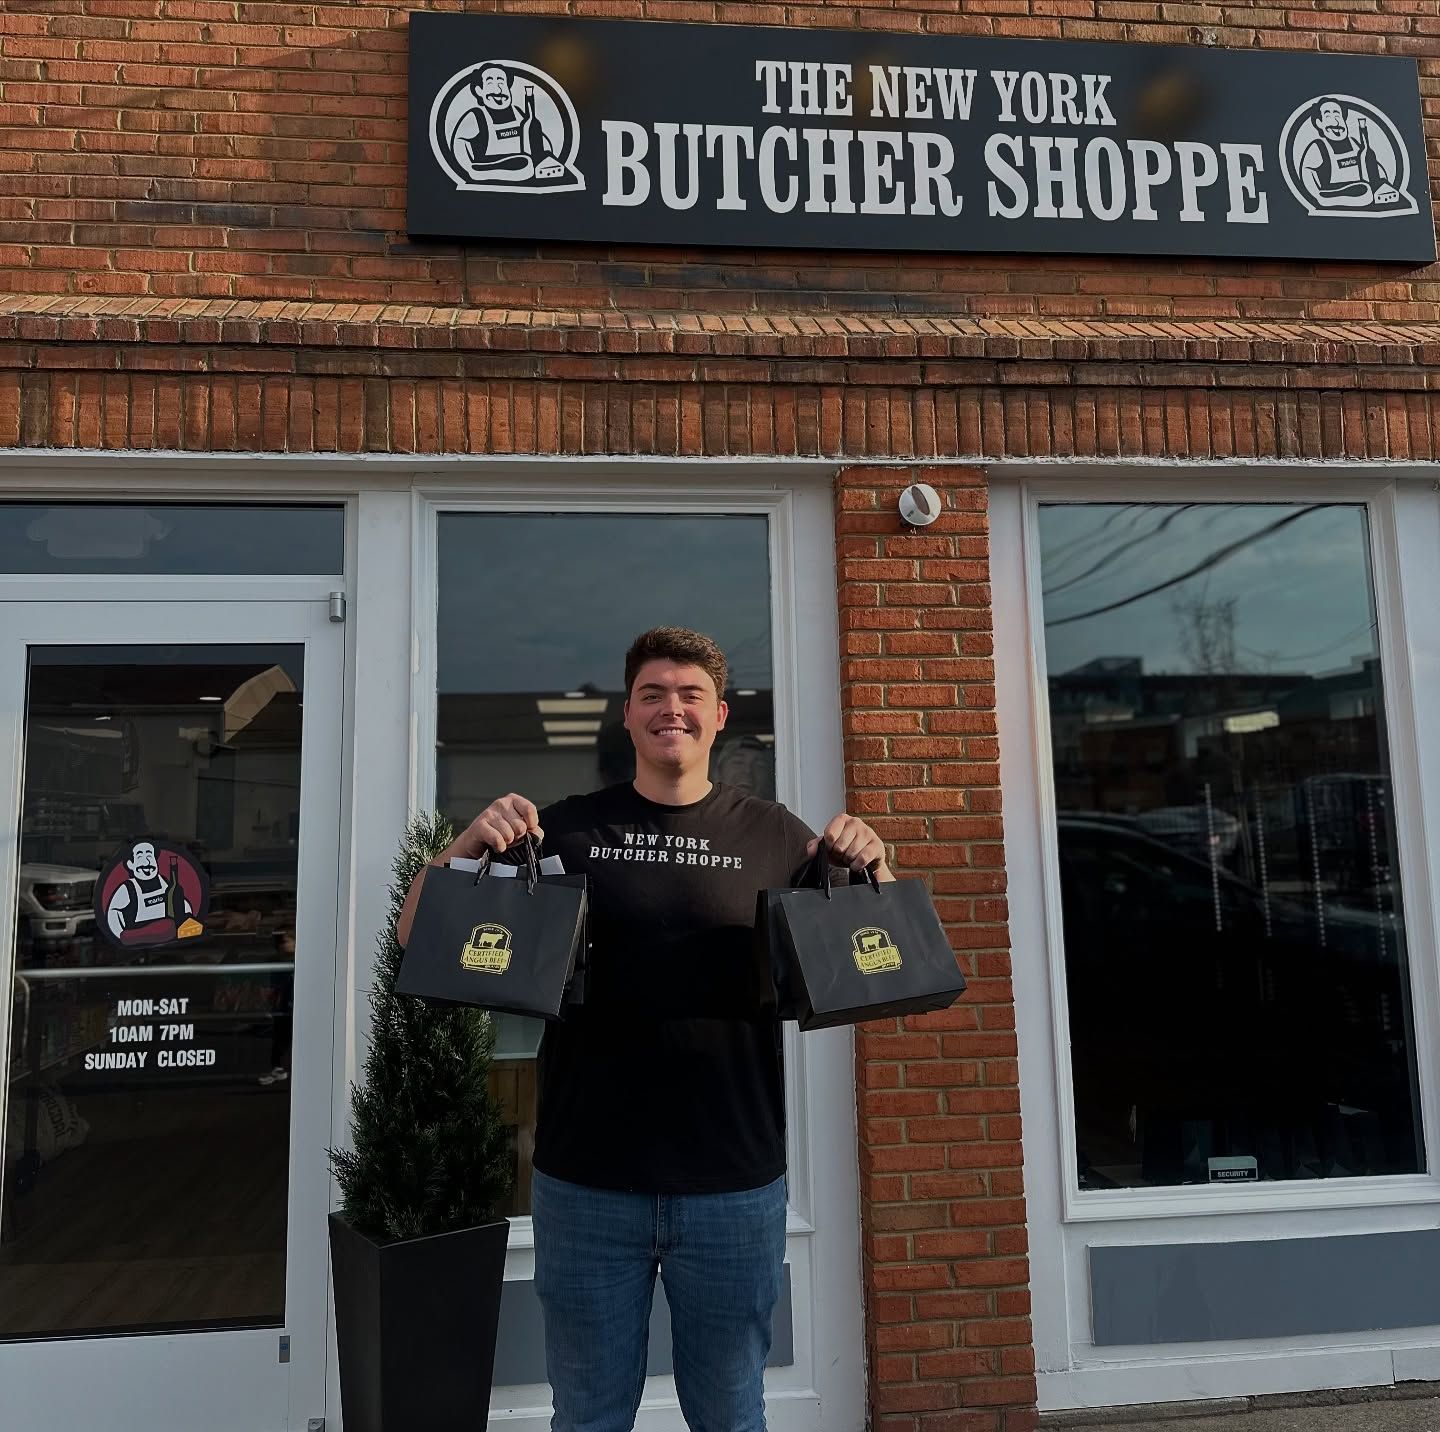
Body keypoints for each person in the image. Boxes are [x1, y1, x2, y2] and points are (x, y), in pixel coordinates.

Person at [397, 626, 892, 1432]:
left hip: (733, 1185)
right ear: (627, 716)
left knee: (730, 1414)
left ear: (720, 715)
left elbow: (877, 955)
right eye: (653, 695)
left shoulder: (775, 835)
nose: (673, 709)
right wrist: (465, 841)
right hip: (587, 1183)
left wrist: (876, 860)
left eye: (691, 695)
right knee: (590, 1416)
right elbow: (416, 934)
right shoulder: (564, 832)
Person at [447, 64, 566, 182]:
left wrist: (546, 160)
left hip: (525, 171)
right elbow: (459, 142)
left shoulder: (518, 113)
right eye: (490, 83)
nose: (498, 90)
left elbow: (538, 138)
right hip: (489, 177)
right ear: (479, 91)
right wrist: (469, 169)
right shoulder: (476, 116)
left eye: (501, 83)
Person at [1299, 98, 1400, 210]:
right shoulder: (1319, 146)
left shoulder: (1354, 143)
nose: (1336, 122)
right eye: (1328, 117)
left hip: (1364, 194)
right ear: (1319, 123)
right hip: (1334, 195)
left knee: (1366, 192)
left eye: (1338, 116)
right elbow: (1307, 171)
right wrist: (1317, 196)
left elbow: (1373, 165)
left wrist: (1383, 185)